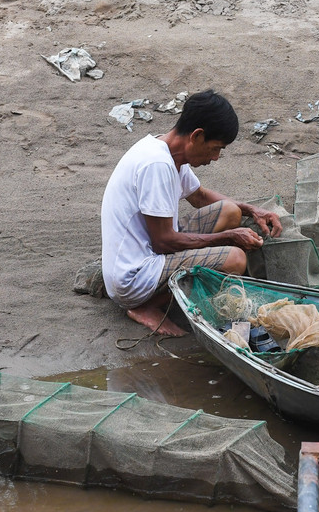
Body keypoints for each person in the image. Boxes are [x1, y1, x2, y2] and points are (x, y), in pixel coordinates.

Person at [101, 89, 283, 336]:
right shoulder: (157, 165)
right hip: (133, 277)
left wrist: (252, 211)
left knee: (231, 211)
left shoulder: (167, 151)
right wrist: (228, 238)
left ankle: (172, 289)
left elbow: (199, 196)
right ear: (197, 136)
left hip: (152, 250)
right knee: (235, 259)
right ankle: (146, 307)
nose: (216, 157)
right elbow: (164, 242)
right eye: (215, 148)